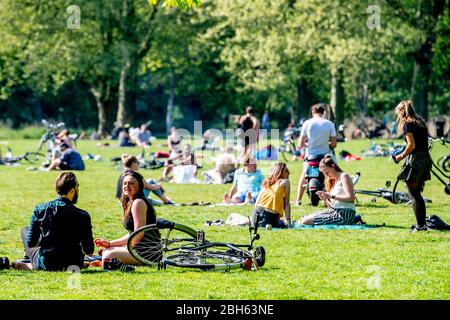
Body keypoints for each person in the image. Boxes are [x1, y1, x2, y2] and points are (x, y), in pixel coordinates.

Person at [13, 172, 94, 271]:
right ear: (72, 191)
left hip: (47, 262)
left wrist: (47, 238)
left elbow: (31, 243)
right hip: (74, 262)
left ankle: (30, 264)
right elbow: (89, 251)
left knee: (25, 230)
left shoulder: (40, 209)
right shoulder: (83, 215)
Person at [94, 171, 160, 271]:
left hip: (148, 252)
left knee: (108, 253)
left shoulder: (138, 203)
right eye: (125, 183)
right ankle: (108, 263)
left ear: (139, 186)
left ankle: (109, 263)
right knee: (107, 251)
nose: (127, 186)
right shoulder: (130, 202)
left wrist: (122, 248)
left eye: (131, 183)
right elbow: (132, 234)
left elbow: (138, 234)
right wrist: (110, 244)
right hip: (139, 249)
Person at [393, 100, 433, 232]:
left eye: (398, 114)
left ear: (402, 112)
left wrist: (400, 156)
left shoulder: (408, 124)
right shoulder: (419, 122)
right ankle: (422, 225)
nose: (398, 117)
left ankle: (421, 226)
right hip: (424, 158)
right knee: (417, 193)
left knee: (414, 194)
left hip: (415, 160)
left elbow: (411, 145)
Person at [295, 103, 337, 205]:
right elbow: (334, 144)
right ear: (323, 112)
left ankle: (298, 200)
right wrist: (328, 144)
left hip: (310, 157)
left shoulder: (307, 123)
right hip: (325, 156)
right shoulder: (329, 124)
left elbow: (300, 144)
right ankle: (334, 196)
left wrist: (308, 144)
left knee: (304, 175)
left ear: (313, 112)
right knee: (334, 175)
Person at [300, 155, 356, 226]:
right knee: (305, 217)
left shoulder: (344, 176)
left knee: (306, 221)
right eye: (324, 174)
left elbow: (351, 198)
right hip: (334, 211)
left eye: (327, 172)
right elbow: (332, 207)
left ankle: (356, 218)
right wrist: (325, 198)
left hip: (345, 214)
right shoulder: (333, 180)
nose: (326, 175)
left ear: (333, 166)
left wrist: (331, 196)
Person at [252, 163, 292, 229]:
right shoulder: (285, 182)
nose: (289, 173)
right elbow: (286, 204)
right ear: (280, 172)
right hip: (267, 217)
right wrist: (289, 223)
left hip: (255, 216)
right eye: (286, 171)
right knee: (282, 224)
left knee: (280, 222)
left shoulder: (267, 181)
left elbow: (257, 202)